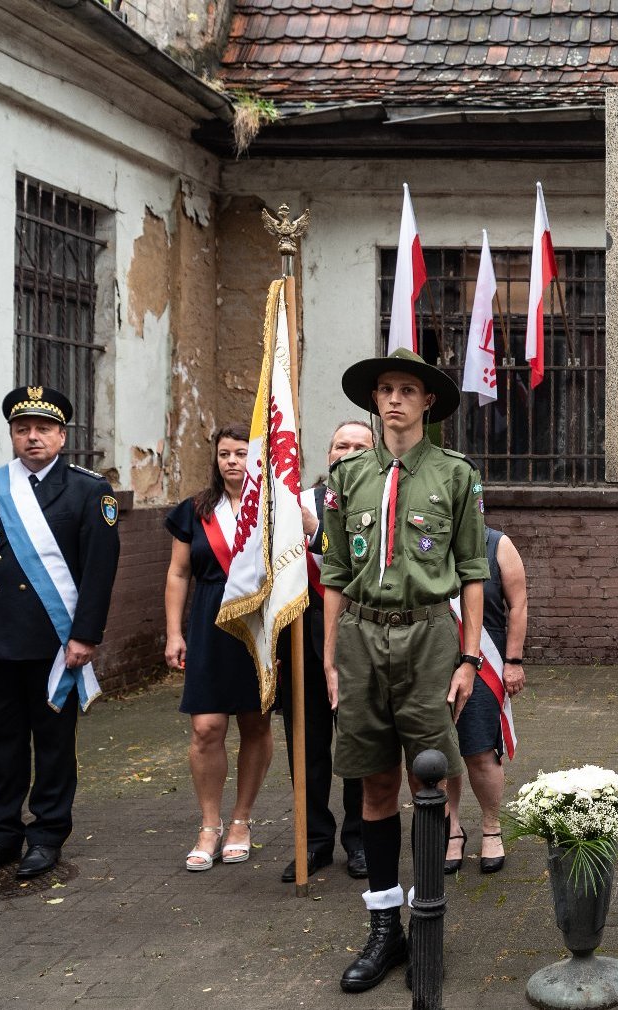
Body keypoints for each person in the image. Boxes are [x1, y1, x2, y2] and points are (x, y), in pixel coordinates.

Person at [321, 348, 488, 993]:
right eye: (385, 390)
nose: (393, 400)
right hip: (362, 638)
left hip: (427, 637)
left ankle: (428, 924)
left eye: (406, 390)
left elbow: (472, 574)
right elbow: (335, 574)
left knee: (433, 777)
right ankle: (384, 924)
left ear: (427, 404)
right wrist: (333, 659)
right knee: (374, 783)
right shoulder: (347, 479)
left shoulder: (455, 476)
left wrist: (469, 656)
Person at [0, 386, 120, 880]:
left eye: (43, 429)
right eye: (22, 429)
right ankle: (1, 833)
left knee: (52, 742)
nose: (32, 437)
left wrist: (85, 636)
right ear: (12, 435)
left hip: (54, 643)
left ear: (62, 436)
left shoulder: (90, 490)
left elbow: (98, 571)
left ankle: (47, 834)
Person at [164, 424, 276, 871]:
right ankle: (208, 826)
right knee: (206, 728)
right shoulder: (194, 510)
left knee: (255, 723)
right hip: (209, 624)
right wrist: (174, 633)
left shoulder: (270, 509)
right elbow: (177, 573)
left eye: (241, 453)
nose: (232, 461)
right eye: (225, 454)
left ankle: (241, 821)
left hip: (258, 627)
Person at [278, 419, 376, 883]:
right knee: (307, 742)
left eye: (360, 445)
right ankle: (313, 840)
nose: (350, 451)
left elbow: (369, 564)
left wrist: (317, 532)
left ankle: (359, 840)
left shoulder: (384, 498)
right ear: (328, 452)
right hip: (304, 630)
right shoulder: (296, 502)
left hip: (359, 633)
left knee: (358, 742)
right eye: (342, 445)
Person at [445, 525, 527, 876]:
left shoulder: (497, 544)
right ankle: (451, 828)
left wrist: (513, 661)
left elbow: (518, 604)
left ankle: (491, 827)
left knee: (479, 750)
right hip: (433, 658)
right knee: (439, 751)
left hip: (484, 663)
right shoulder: (424, 540)